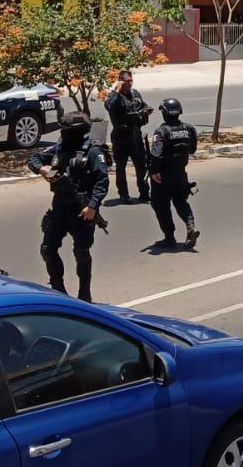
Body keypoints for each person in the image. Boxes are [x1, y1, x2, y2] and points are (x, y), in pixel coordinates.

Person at [26, 111, 108, 302]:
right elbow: (34, 159)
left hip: (82, 210)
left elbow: (102, 180)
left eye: (65, 130)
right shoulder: (59, 148)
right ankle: (58, 291)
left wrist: (93, 206)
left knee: (81, 252)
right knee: (48, 249)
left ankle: (84, 293)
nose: (62, 133)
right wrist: (42, 169)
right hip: (60, 208)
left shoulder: (93, 151)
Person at [147, 98, 199, 249]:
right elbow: (193, 149)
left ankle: (169, 238)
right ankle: (191, 227)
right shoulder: (189, 128)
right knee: (181, 202)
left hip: (162, 176)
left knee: (160, 205)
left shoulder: (161, 131)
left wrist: (154, 171)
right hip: (181, 174)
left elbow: (156, 154)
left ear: (164, 113)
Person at [103, 69, 151, 205]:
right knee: (121, 168)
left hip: (135, 134)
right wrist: (117, 90)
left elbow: (143, 105)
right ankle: (124, 195)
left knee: (141, 166)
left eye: (131, 81)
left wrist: (146, 111)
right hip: (121, 136)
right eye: (127, 81)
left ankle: (144, 193)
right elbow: (109, 106)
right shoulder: (114, 96)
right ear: (121, 82)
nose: (130, 84)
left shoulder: (135, 94)